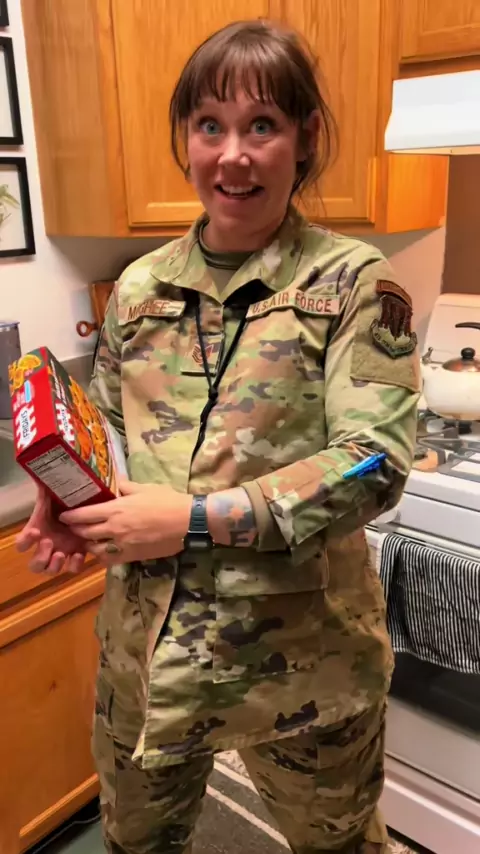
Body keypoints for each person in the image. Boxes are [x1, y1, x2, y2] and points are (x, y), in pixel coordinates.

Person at [16, 18, 420, 854]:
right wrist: (67, 500)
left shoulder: (352, 281)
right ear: (186, 140)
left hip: (303, 668)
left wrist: (194, 520)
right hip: (147, 656)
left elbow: (373, 462)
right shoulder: (139, 288)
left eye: (261, 125)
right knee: (137, 844)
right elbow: (107, 433)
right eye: (210, 125)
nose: (233, 155)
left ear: (305, 139)